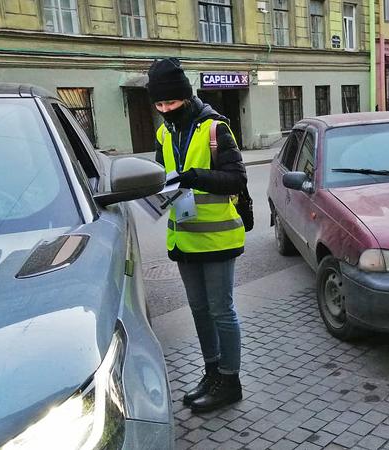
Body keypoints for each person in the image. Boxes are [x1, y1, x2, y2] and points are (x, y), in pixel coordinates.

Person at [146, 57, 247, 413]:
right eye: (159, 104)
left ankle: (230, 381)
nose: (165, 110)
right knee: (200, 310)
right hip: (184, 237)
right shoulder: (164, 132)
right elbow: (161, 175)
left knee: (222, 310)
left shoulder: (216, 129)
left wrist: (194, 176)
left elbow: (236, 179)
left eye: (170, 102)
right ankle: (211, 373)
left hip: (218, 239)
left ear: (186, 97)